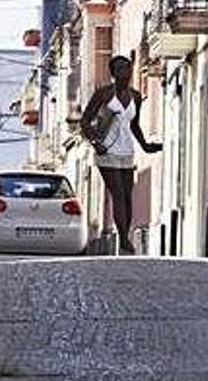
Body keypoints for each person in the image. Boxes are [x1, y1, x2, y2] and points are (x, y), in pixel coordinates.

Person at [81, 55, 162, 255]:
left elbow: (134, 125)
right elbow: (85, 121)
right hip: (106, 151)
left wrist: (145, 146)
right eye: (119, 69)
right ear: (113, 73)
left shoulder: (135, 96)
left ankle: (125, 235)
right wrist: (95, 142)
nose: (124, 72)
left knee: (127, 197)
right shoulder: (104, 95)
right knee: (117, 193)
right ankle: (125, 239)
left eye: (127, 68)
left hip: (127, 151)